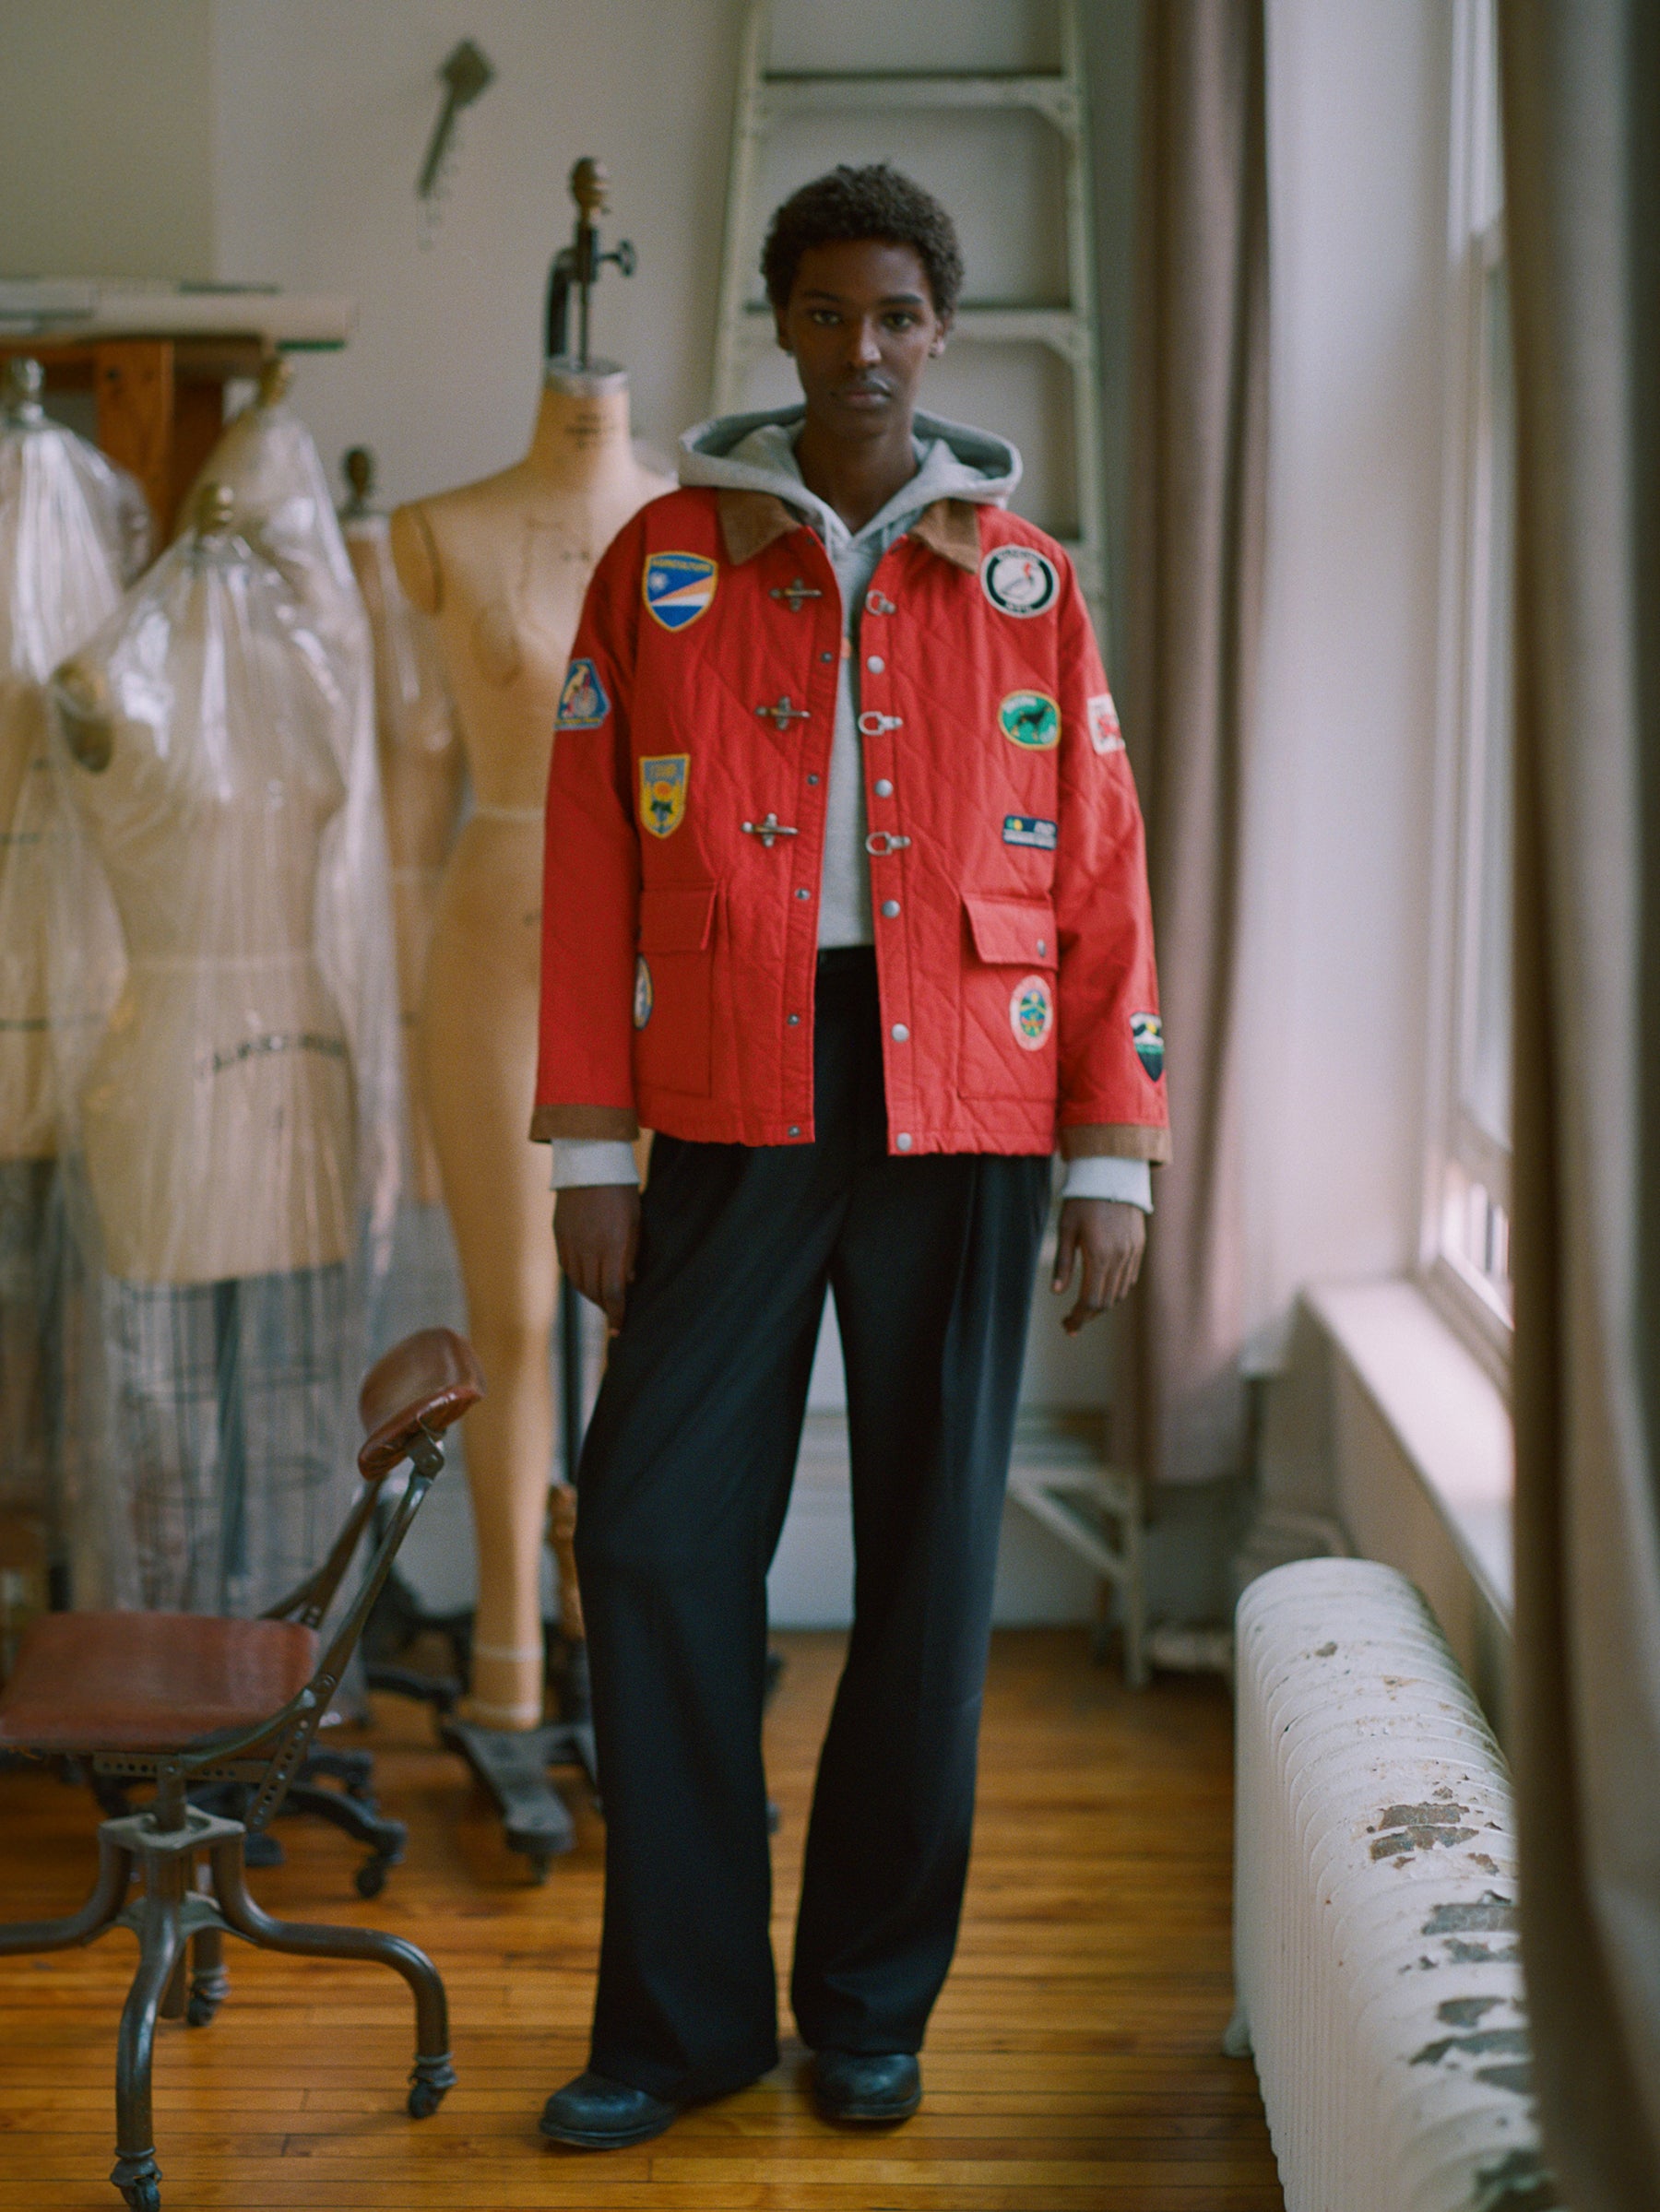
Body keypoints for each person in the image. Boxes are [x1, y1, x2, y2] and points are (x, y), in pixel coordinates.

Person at [532, 164, 1169, 2150]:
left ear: (938, 329)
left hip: (965, 1101)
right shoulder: (660, 566)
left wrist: (1112, 1151)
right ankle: (684, 2020)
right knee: (646, 1531)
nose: (864, 347)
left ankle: (871, 2009)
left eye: (898, 313)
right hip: (731, 1088)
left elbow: (1106, 879)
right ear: (782, 324)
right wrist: (586, 1143)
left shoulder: (1026, 581)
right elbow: (581, 873)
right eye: (828, 312)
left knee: (928, 1566)